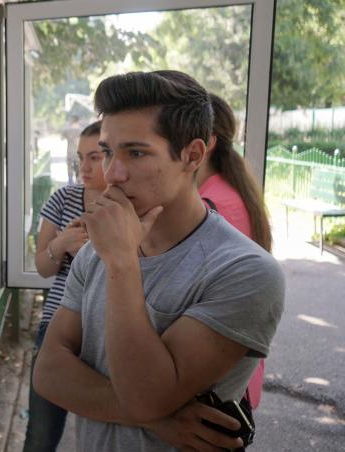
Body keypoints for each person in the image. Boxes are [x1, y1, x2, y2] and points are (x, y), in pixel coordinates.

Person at [33, 71, 285, 451]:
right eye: (107, 152)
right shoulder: (94, 252)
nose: (112, 174)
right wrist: (159, 418)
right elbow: (48, 372)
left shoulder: (245, 272)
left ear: (193, 155)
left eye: (136, 153)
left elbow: (145, 397)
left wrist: (122, 263)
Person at [23, 120, 104, 452]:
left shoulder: (130, 206)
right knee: (41, 433)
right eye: (80, 158)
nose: (84, 167)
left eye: (95, 157)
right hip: (57, 321)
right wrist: (61, 244)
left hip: (105, 329)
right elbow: (43, 267)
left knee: (105, 433)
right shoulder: (64, 198)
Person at [199, 93, 273, 410]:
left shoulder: (210, 207)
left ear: (205, 145)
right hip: (229, 377)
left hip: (214, 383)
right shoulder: (225, 191)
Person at [62, 115, 82, 184]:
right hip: (78, 153)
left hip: (70, 152)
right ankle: (78, 183)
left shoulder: (67, 130)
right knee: (78, 170)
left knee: (69, 168)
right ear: (78, 121)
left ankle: (70, 183)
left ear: (72, 120)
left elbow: (62, 138)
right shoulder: (81, 130)